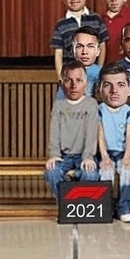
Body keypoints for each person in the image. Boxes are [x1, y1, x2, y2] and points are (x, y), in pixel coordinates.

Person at [44, 60, 99, 200]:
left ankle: (81, 202)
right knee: (52, 172)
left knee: (91, 174)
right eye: (69, 80)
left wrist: (88, 156)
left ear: (86, 84)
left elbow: (91, 133)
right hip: (64, 156)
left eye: (79, 81)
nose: (74, 86)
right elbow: (55, 132)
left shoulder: (91, 104)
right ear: (62, 84)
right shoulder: (59, 105)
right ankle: (66, 204)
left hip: (83, 155)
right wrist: (54, 154)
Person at [50, 0, 109, 81]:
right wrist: (61, 79)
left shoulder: (96, 19)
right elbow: (58, 54)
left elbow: (102, 46)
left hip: (93, 76)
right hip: (70, 77)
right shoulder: (60, 25)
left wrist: (99, 71)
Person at [97, 63, 130, 223]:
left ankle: (124, 206)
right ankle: (106, 207)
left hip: (122, 153)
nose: (114, 91)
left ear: (129, 90)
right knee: (106, 173)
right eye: (108, 85)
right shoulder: (100, 110)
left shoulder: (128, 111)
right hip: (106, 153)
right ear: (100, 89)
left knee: (127, 173)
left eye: (120, 85)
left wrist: (127, 157)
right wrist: (104, 156)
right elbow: (99, 135)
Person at [56, 26, 102, 99]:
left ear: (98, 51)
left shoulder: (104, 74)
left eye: (90, 46)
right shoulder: (67, 74)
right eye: (79, 46)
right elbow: (60, 103)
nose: (84, 52)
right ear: (72, 51)